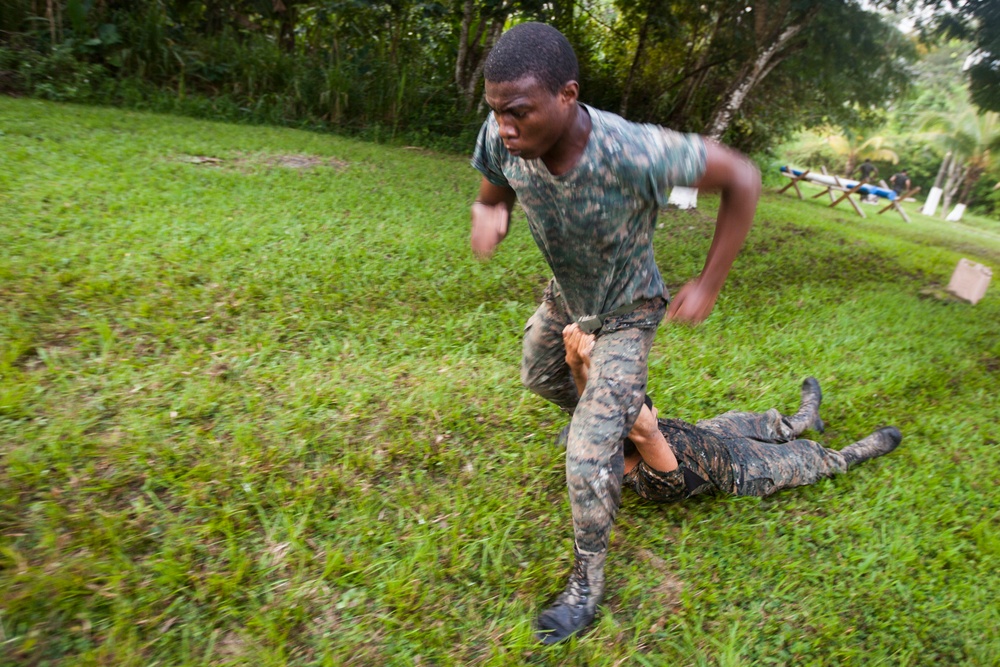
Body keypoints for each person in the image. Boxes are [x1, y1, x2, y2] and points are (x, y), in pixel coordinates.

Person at [469, 22, 760, 643]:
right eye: (495, 112)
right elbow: (493, 190)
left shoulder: (635, 151)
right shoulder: (503, 137)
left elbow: (744, 177)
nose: (504, 128)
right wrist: (489, 214)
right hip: (567, 298)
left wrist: (709, 281)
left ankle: (586, 583)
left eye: (517, 113)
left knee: (587, 446)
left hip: (629, 311)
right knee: (538, 374)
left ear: (568, 96)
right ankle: (624, 409)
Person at [563, 323, 902, 507]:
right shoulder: (653, 482)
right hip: (740, 468)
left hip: (710, 433)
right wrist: (600, 368)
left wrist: (578, 364)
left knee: (767, 422)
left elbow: (600, 410)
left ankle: (804, 418)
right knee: (807, 458)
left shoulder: (620, 444)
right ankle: (854, 453)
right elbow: (645, 430)